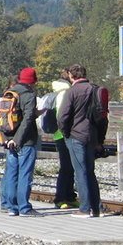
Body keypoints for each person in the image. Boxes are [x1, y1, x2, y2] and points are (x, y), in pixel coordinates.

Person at [58, 63, 102, 219]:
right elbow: (103, 116)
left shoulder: (72, 92)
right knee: (90, 172)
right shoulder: (95, 89)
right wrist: (100, 139)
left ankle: (84, 208)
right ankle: (97, 208)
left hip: (76, 135)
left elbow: (62, 116)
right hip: (92, 135)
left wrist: (65, 133)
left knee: (80, 172)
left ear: (71, 75)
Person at [2, 68, 42, 217]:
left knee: (11, 174)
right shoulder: (29, 95)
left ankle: (11, 207)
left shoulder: (10, 93)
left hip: (10, 139)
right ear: (33, 81)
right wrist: (18, 139)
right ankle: (24, 207)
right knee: (25, 174)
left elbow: (2, 118)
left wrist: (8, 139)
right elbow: (28, 119)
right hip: (25, 141)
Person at [42, 78, 78, 209]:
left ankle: (69, 196)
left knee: (69, 167)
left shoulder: (57, 94)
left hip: (59, 135)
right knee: (67, 168)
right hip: (65, 135)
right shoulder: (65, 94)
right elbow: (63, 116)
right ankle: (61, 198)